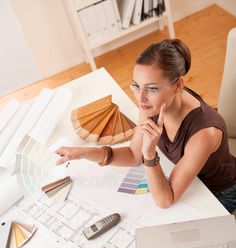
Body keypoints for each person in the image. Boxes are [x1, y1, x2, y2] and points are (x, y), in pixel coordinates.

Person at [56, 39, 236, 214]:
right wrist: (82, 153)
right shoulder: (153, 104)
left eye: (152, 89)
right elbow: (134, 155)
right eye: (136, 86)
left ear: (178, 84)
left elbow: (165, 200)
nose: (140, 98)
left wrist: (149, 154)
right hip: (189, 182)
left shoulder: (204, 133)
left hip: (218, 193)